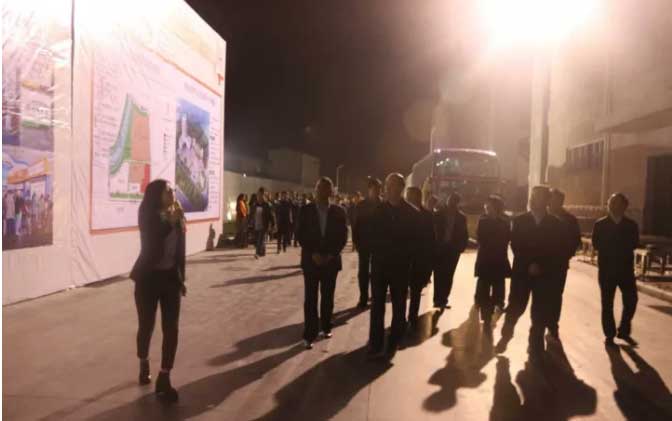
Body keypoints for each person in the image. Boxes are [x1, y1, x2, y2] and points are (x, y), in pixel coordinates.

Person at [129, 179, 187, 403]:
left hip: (171, 278)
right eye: (168, 190)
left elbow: (180, 250)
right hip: (148, 279)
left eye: (173, 190)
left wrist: (182, 278)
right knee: (147, 326)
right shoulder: (147, 214)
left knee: (171, 329)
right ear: (157, 194)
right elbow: (152, 240)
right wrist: (171, 221)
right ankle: (143, 361)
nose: (173, 193)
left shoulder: (177, 215)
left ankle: (165, 376)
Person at [496, 186, 565, 363]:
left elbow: (555, 249)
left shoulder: (555, 224)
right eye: (534, 196)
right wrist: (529, 264)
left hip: (544, 274)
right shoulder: (520, 220)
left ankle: (535, 345)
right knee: (516, 306)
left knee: (540, 310)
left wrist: (541, 265)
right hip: (522, 272)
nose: (536, 200)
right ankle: (506, 334)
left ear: (547, 200)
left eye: (541, 197)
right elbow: (516, 244)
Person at [368, 173, 420, 357]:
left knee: (399, 307)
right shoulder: (377, 211)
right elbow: (369, 236)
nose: (388, 188)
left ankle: (394, 342)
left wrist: (407, 259)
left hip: (400, 268)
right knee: (377, 307)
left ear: (401, 188)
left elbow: (416, 243)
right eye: (387, 185)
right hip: (380, 267)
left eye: (392, 185)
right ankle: (375, 344)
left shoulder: (412, 214)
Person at [297, 177, 348, 349]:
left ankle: (326, 326)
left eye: (326, 188)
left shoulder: (339, 212)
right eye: (319, 188)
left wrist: (330, 255)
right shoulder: (305, 211)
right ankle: (309, 334)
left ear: (331, 192)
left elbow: (342, 236)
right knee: (310, 299)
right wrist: (313, 253)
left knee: (328, 297)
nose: (321, 191)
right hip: (311, 261)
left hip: (330, 262)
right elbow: (300, 234)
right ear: (315, 190)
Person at [592, 193, 639, 347]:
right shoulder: (600, 224)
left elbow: (634, 243)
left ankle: (624, 328)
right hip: (606, 270)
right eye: (611, 202)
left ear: (624, 206)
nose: (613, 205)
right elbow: (596, 244)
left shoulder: (631, 225)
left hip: (626, 270)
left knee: (631, 300)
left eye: (617, 203)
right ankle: (609, 333)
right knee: (607, 303)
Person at [474, 195, 511, 332]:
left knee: (497, 287)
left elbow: (506, 239)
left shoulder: (504, 223)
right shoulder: (483, 221)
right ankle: (486, 314)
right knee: (484, 287)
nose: (486, 207)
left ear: (495, 207)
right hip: (487, 259)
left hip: (497, 259)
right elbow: (480, 238)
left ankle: (496, 305)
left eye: (489, 206)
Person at [548, 188, 582, 339]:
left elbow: (576, 240)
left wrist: (566, 255)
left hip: (559, 263)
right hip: (541, 262)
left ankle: (553, 324)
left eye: (557, 199)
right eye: (551, 199)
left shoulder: (569, 219)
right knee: (541, 295)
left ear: (562, 201)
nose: (553, 202)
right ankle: (541, 322)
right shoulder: (542, 216)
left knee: (556, 295)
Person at [405, 186, 435, 330]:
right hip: (402, 260)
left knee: (415, 291)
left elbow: (431, 241)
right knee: (401, 292)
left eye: (410, 196)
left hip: (419, 261)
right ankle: (401, 319)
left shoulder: (427, 216)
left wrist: (429, 266)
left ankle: (412, 317)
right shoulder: (401, 213)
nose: (408, 199)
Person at [433, 193, 469, 310]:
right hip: (440, 248)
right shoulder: (438, 214)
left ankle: (443, 299)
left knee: (448, 274)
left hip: (453, 250)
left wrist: (460, 248)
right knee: (438, 274)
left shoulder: (461, 218)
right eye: (450, 201)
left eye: (453, 202)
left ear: (457, 203)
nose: (451, 203)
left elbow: (464, 234)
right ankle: (438, 299)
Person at [352, 178, 382, 308]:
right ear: (369, 189)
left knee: (377, 272)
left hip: (379, 245)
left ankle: (375, 296)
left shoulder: (384, 205)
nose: (377, 191)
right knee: (363, 272)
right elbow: (356, 224)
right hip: (364, 243)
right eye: (375, 189)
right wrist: (356, 241)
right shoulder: (361, 205)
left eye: (379, 189)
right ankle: (363, 297)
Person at [251, 188, 274, 258]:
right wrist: (250, 222)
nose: (259, 196)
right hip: (256, 225)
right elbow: (252, 214)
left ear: (264, 195)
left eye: (261, 195)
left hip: (264, 225)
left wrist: (273, 224)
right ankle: (263, 252)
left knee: (260, 240)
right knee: (259, 240)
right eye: (258, 195)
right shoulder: (255, 204)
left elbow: (271, 215)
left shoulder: (267, 205)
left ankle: (257, 253)